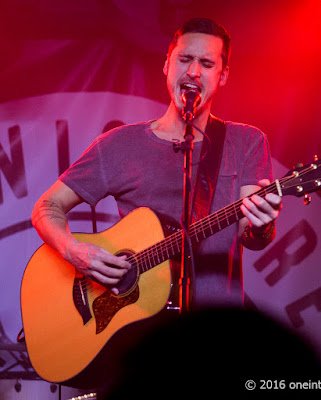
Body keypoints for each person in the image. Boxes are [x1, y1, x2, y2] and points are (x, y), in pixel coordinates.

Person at [31, 17, 282, 311]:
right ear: (167, 65)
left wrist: (263, 227)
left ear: (223, 76)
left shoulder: (247, 141)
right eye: (184, 59)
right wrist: (73, 250)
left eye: (207, 63)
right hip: (135, 329)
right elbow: (46, 207)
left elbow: (250, 236)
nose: (193, 71)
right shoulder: (119, 144)